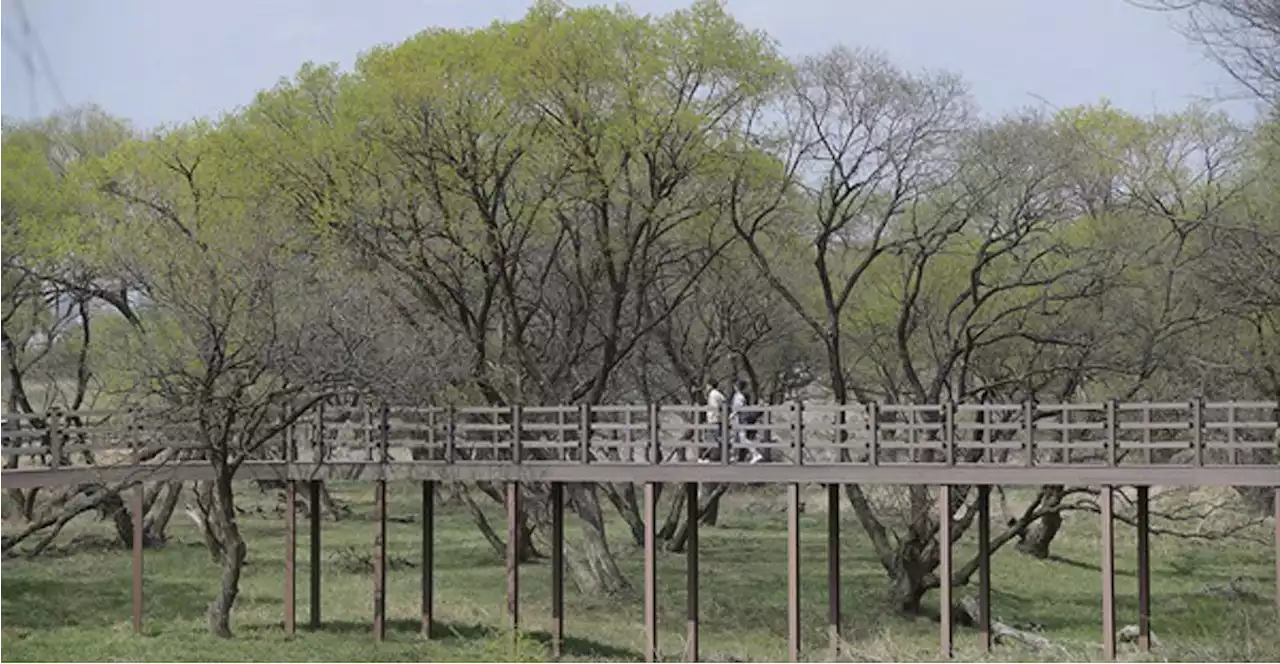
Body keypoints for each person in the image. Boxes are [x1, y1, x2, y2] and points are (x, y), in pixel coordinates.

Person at [731, 379, 764, 464]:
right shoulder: (742, 395)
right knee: (737, 438)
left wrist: (732, 415)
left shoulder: (738, 396)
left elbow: (738, 408)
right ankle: (734, 456)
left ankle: (755, 454)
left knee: (742, 439)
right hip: (742, 418)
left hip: (741, 419)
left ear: (736, 387)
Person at [701, 380, 726, 462]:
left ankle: (705, 456)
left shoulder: (713, 394)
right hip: (716, 418)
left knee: (712, 439)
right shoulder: (718, 394)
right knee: (716, 438)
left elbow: (715, 405)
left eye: (707, 385)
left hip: (713, 419)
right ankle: (713, 456)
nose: (707, 387)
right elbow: (724, 401)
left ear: (711, 386)